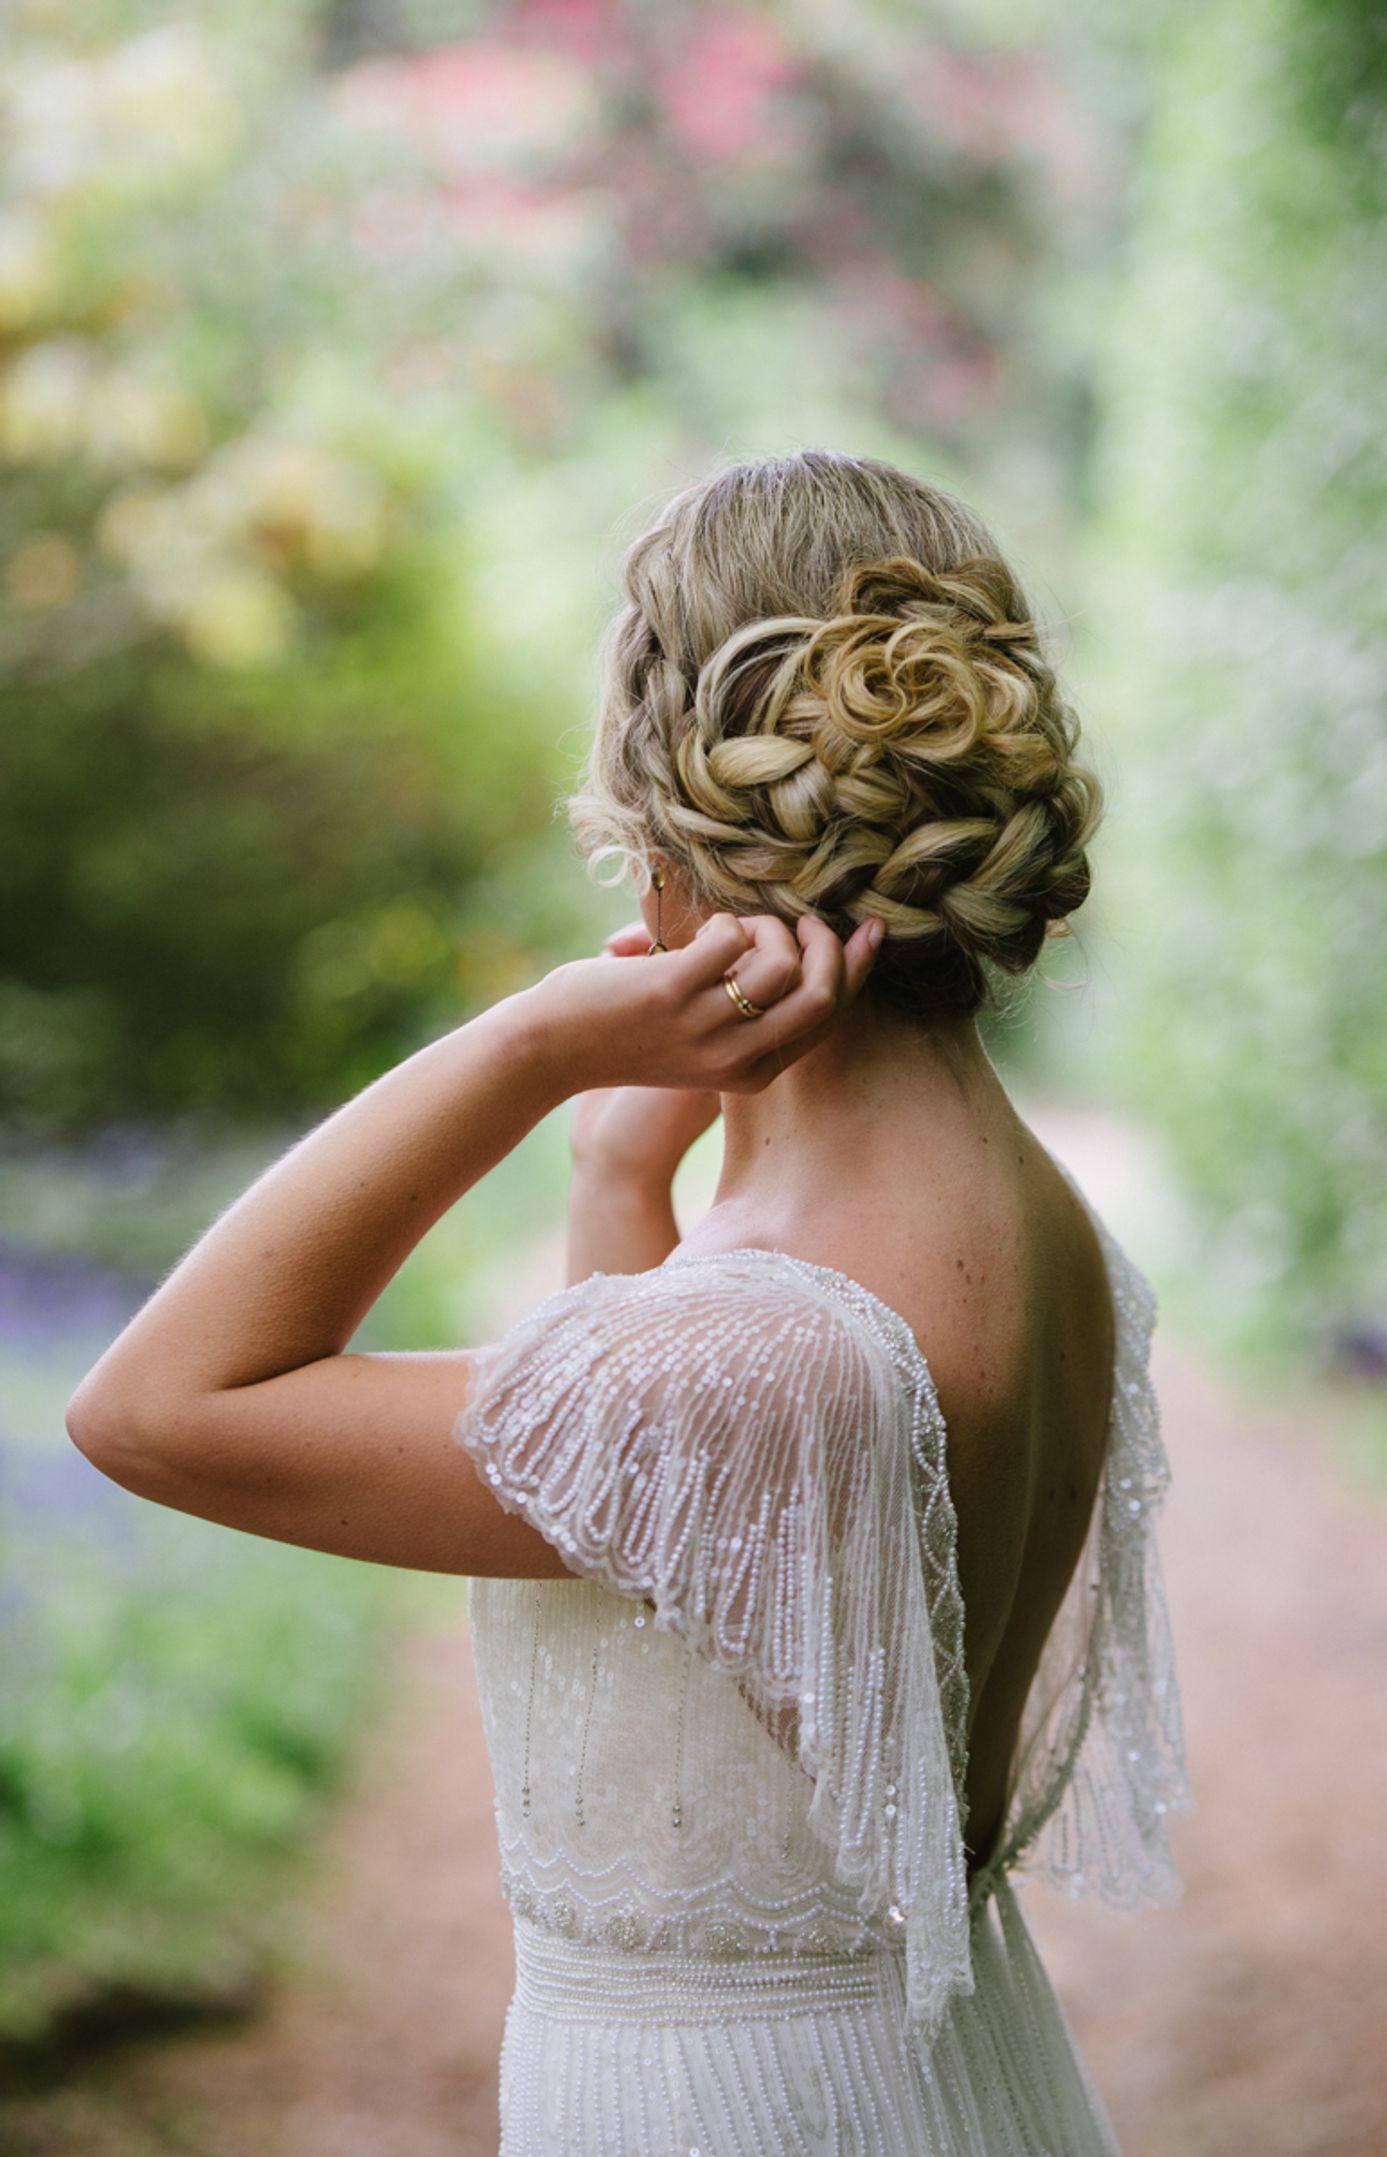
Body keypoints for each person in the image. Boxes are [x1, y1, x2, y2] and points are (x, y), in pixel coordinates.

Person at [67, 448, 1193, 2155]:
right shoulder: (1048, 1235)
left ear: (670, 831)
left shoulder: (764, 1348)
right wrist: (616, 1186)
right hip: (937, 2078)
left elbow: (152, 1408)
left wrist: (521, 1049)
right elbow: (693, 1582)